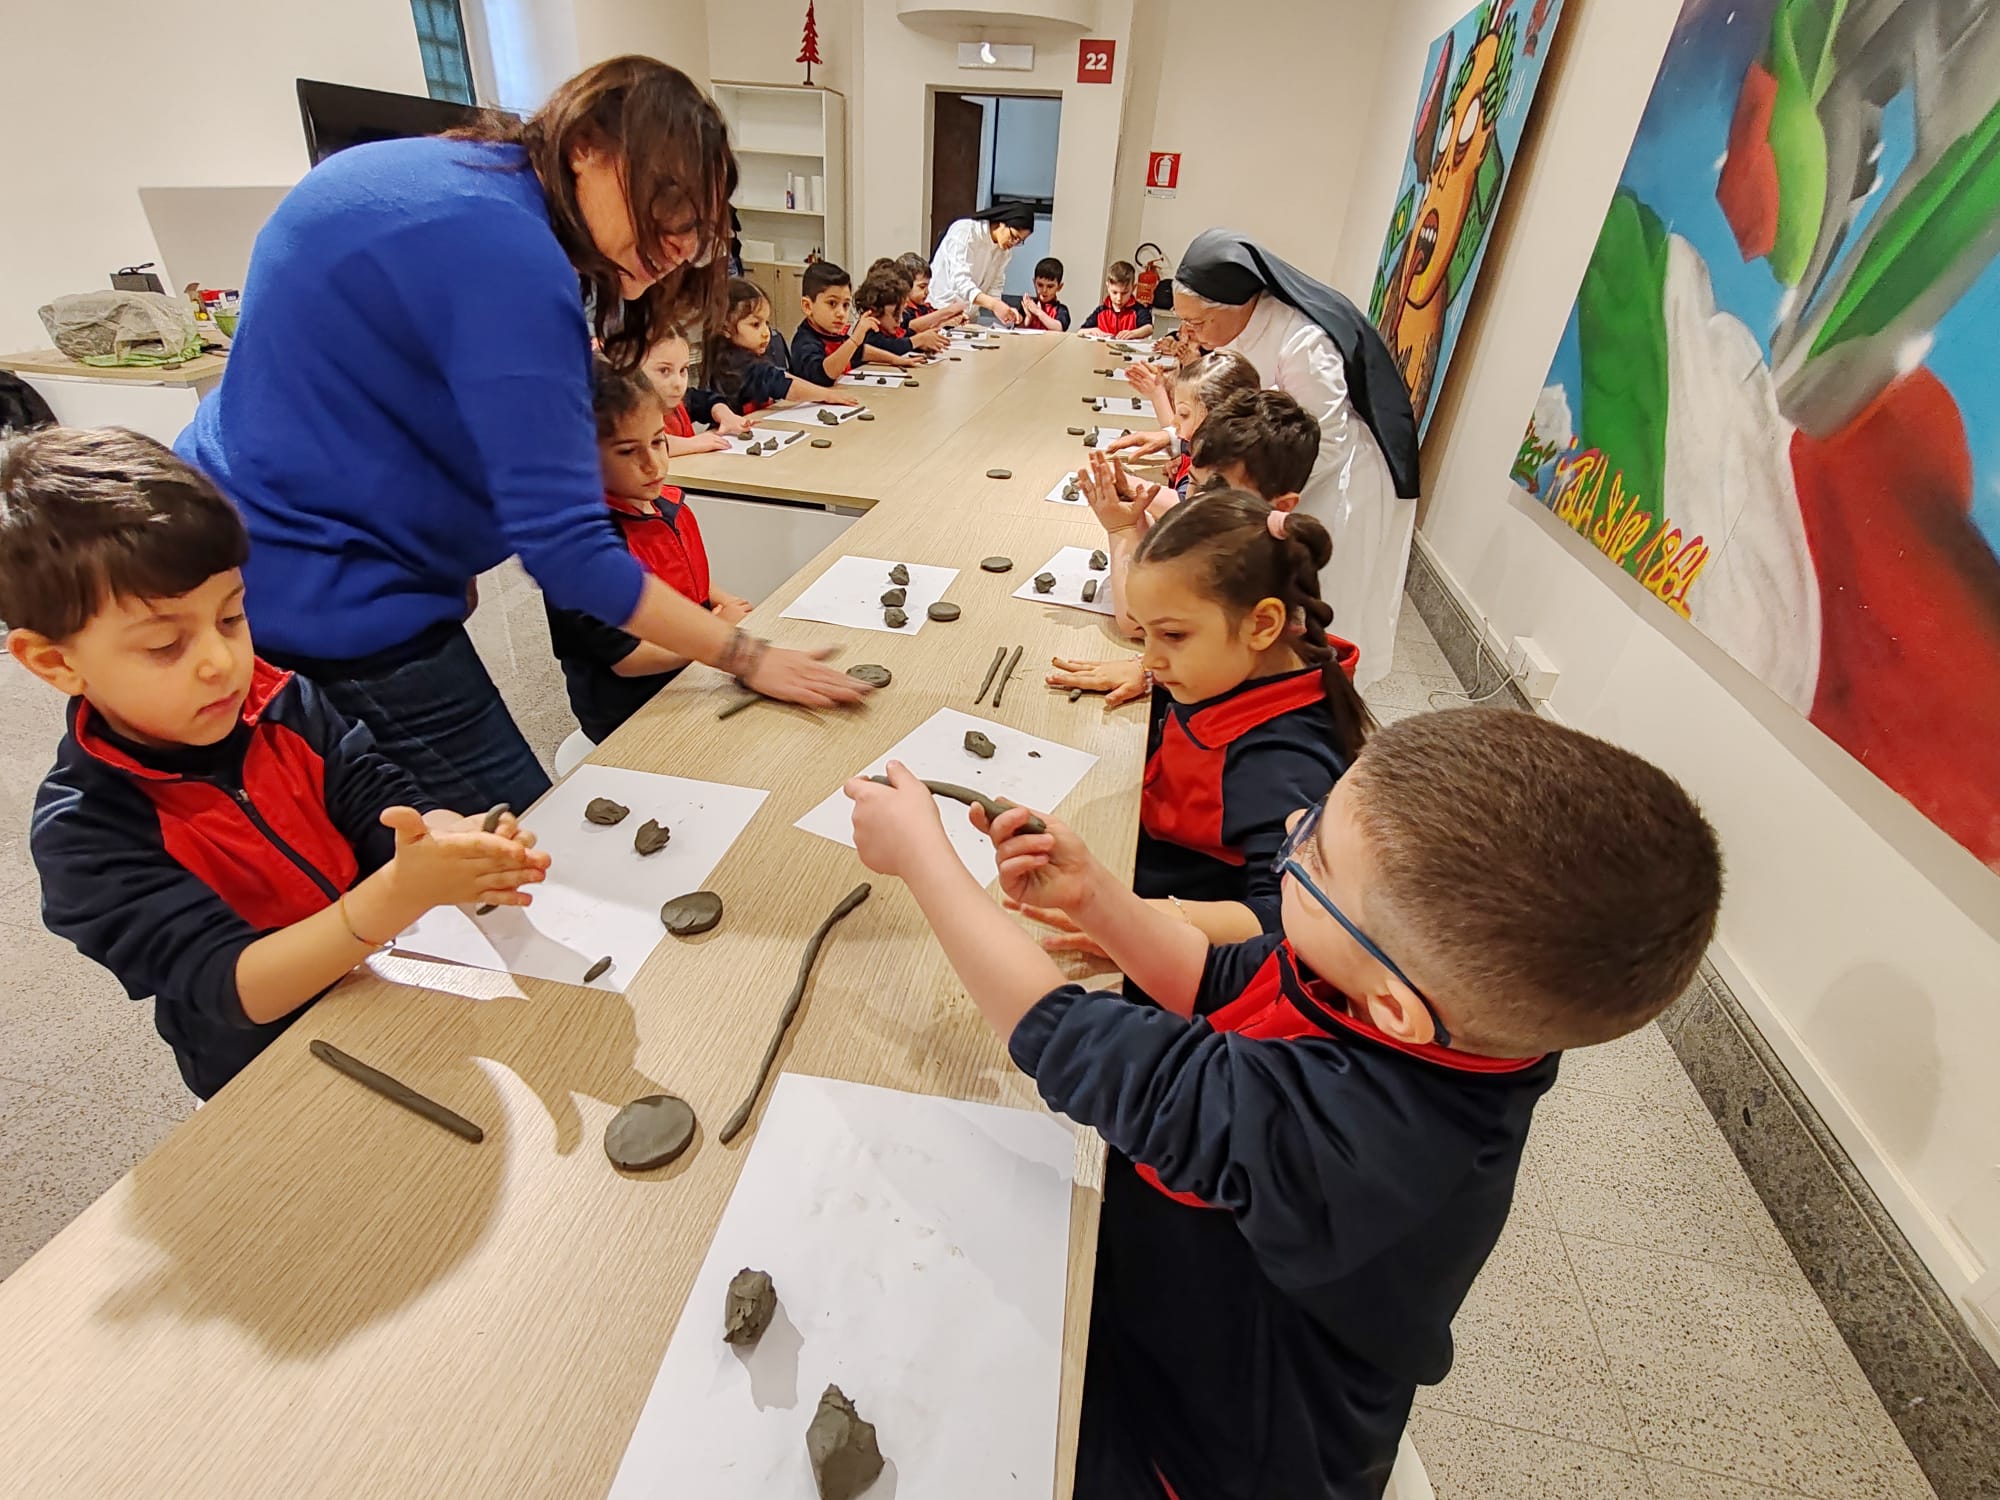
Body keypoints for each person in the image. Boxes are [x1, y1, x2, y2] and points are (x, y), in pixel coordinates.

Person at [843, 707, 1723, 1500]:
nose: (1291, 835)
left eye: (1315, 857)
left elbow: (1071, 1040)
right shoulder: (1403, 1002)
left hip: (1208, 1450)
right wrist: (1096, 896)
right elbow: (1215, 978)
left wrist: (925, 862)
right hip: (1176, 1309)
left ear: (1395, 1007)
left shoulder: (1358, 1142)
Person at [173, 58, 868, 816]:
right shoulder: (507, 251)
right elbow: (569, 552)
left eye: (696, 227)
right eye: (665, 205)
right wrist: (746, 655)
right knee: (523, 841)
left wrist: (447, 557)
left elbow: (400, 397)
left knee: (384, 816)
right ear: (586, 147)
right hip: (319, 573)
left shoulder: (461, 179)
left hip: (261, 525)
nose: (677, 243)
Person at [1, 428, 552, 1101]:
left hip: (381, 987)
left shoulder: (282, 702)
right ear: (54, 662)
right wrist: (397, 895)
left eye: (231, 617)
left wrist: (445, 837)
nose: (221, 662)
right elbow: (237, 987)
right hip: (263, 1069)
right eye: (165, 645)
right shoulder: (84, 833)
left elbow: (376, 801)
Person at [1029, 491, 1367, 956]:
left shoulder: (1277, 764)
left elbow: (1285, 921)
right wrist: (1149, 673)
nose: (1150, 656)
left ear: (1262, 624)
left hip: (1188, 927)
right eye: (1145, 633)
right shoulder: (1264, 661)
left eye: (1172, 634)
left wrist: (1123, 919)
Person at [1171, 227, 1424, 688]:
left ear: (1236, 305)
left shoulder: (1303, 341)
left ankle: (1323, 695)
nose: (1190, 334)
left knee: (1329, 601)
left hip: (1339, 480)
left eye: (1198, 323)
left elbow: (1323, 441)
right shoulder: (1238, 329)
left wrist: (1244, 498)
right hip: (1277, 475)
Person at [546, 358, 752, 744]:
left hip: (686, 672)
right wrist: (717, 634)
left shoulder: (662, 504)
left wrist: (720, 599)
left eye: (658, 442)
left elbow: (679, 576)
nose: (653, 464)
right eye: (628, 451)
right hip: (630, 712)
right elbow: (628, 659)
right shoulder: (584, 546)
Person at [1057, 388, 1321, 651]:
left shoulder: (1249, 565)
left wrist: (1122, 528)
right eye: (1194, 484)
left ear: (1281, 506)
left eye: (1218, 492)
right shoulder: (1231, 533)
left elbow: (1137, 619)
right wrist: (1134, 512)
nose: (1197, 503)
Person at [1115, 348, 1263, 495]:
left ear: (1219, 418)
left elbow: (1184, 503)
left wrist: (1127, 484)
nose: (1174, 422)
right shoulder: (1204, 449)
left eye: (1184, 414)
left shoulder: (1226, 470)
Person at [706, 277, 856, 415]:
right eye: (755, 324)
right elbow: (784, 384)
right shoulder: (736, 364)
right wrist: (827, 395)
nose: (766, 333)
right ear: (725, 328)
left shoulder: (748, 356)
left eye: (767, 323)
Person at [641, 329, 744, 457]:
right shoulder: (627, 416)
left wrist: (723, 412)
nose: (678, 383)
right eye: (664, 370)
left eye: (683, 370)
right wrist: (694, 443)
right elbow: (647, 445)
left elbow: (705, 401)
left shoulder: (679, 400)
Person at [928, 203, 1036, 325]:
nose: (1014, 243)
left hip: (967, 317)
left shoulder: (1004, 252)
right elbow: (961, 282)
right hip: (939, 310)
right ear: (1002, 223)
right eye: (1014, 237)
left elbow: (995, 285)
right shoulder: (966, 231)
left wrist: (1004, 310)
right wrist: (994, 305)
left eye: (1020, 241)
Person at [787, 261, 880, 384]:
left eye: (845, 305)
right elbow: (823, 375)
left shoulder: (833, 335)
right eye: (832, 303)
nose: (841, 313)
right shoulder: (804, 342)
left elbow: (860, 352)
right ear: (808, 306)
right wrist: (854, 340)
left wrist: (898, 360)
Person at [853, 269, 943, 359]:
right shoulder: (867, 332)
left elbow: (903, 337)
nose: (901, 320)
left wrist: (923, 342)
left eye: (902, 313)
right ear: (874, 311)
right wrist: (917, 341)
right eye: (895, 314)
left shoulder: (887, 328)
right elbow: (887, 346)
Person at [1080, 261, 1154, 337]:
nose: (1119, 298)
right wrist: (1092, 330)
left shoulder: (1138, 309)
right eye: (1114, 292)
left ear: (1133, 288)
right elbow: (1081, 331)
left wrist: (1133, 333)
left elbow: (1149, 328)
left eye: (1124, 293)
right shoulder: (1101, 311)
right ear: (1108, 287)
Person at [896, 252, 964, 332]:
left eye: (927, 286)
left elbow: (936, 323)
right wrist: (948, 311)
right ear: (905, 285)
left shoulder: (925, 308)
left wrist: (952, 319)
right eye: (922, 287)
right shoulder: (903, 312)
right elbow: (911, 329)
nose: (927, 292)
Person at [1014, 257, 1071, 331]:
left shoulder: (1061, 310)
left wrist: (1038, 312)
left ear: (1059, 287)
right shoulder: (1028, 306)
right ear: (1034, 283)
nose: (1044, 290)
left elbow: (1059, 328)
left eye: (1050, 286)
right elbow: (1016, 330)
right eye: (1040, 285)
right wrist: (1028, 319)